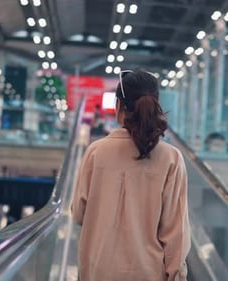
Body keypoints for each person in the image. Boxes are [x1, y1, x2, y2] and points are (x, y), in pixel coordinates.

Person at [71, 70, 191, 281]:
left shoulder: (96, 152)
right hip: (147, 273)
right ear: (156, 106)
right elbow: (176, 233)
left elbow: (79, 213)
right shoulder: (171, 158)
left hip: (97, 270)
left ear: (118, 106)